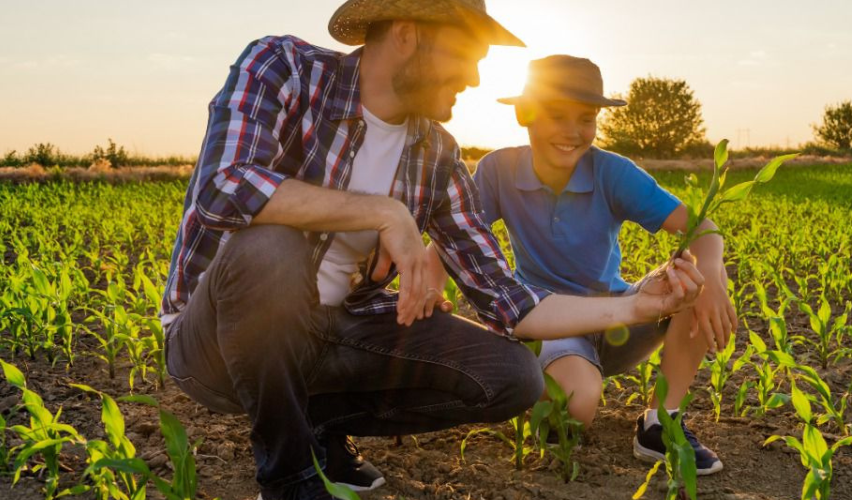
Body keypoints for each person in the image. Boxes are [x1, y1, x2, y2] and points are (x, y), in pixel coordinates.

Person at [160, 2, 705, 499]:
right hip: (216, 344)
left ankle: (317, 424)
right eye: (468, 57)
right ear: (407, 34)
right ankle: (290, 478)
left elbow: (510, 301)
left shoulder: (437, 153)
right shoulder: (283, 66)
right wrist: (382, 212)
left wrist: (640, 306)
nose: (473, 78)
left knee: (512, 375)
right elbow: (222, 187)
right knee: (270, 246)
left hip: (338, 335)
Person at [463, 55, 736, 476]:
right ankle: (539, 384)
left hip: (620, 314)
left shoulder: (611, 172)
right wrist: (425, 270)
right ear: (525, 114)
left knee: (692, 281)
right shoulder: (499, 170)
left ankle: (661, 424)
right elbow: (458, 234)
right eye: (557, 115)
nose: (573, 132)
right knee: (574, 412)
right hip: (552, 323)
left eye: (586, 118)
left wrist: (713, 276)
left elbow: (702, 226)